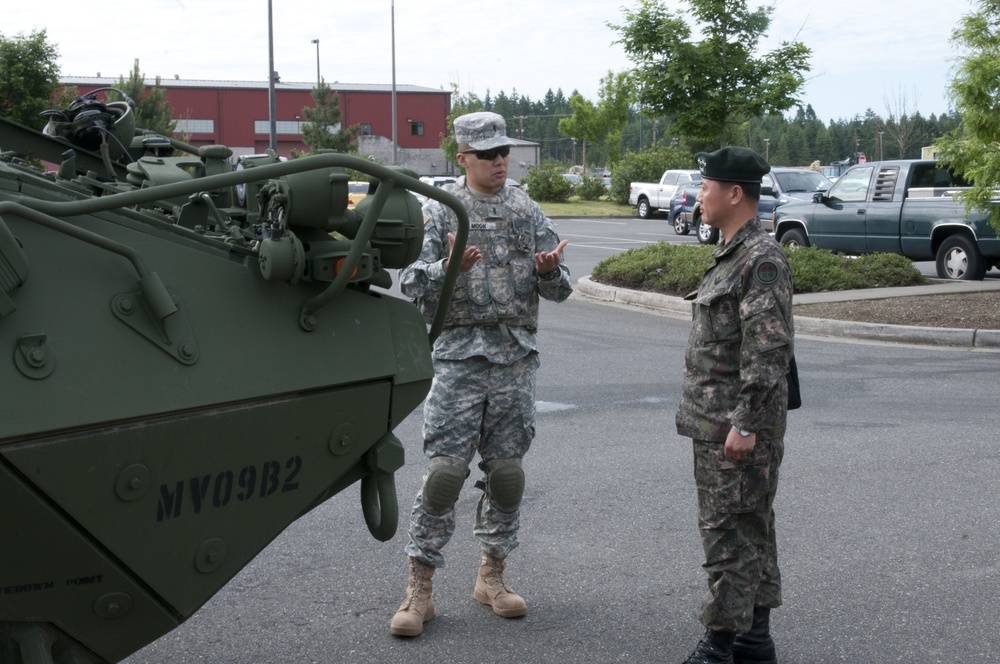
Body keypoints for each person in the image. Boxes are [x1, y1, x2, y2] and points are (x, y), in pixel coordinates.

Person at [390, 111, 572, 638]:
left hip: (515, 358)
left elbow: (560, 289)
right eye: (487, 153)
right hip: (458, 359)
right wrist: (448, 271)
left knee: (507, 475)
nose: (499, 161)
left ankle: (492, 575)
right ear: (463, 156)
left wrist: (547, 272)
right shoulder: (441, 211)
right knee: (446, 474)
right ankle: (419, 588)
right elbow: (410, 285)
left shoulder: (525, 208)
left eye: (503, 152)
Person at [675, 147, 794, 664]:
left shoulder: (760, 259)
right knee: (751, 529)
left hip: (736, 427)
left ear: (734, 193)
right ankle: (753, 641)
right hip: (718, 423)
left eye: (705, 187)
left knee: (730, 536)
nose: (698, 195)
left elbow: (768, 350)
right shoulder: (733, 252)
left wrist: (745, 424)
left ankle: (718, 646)